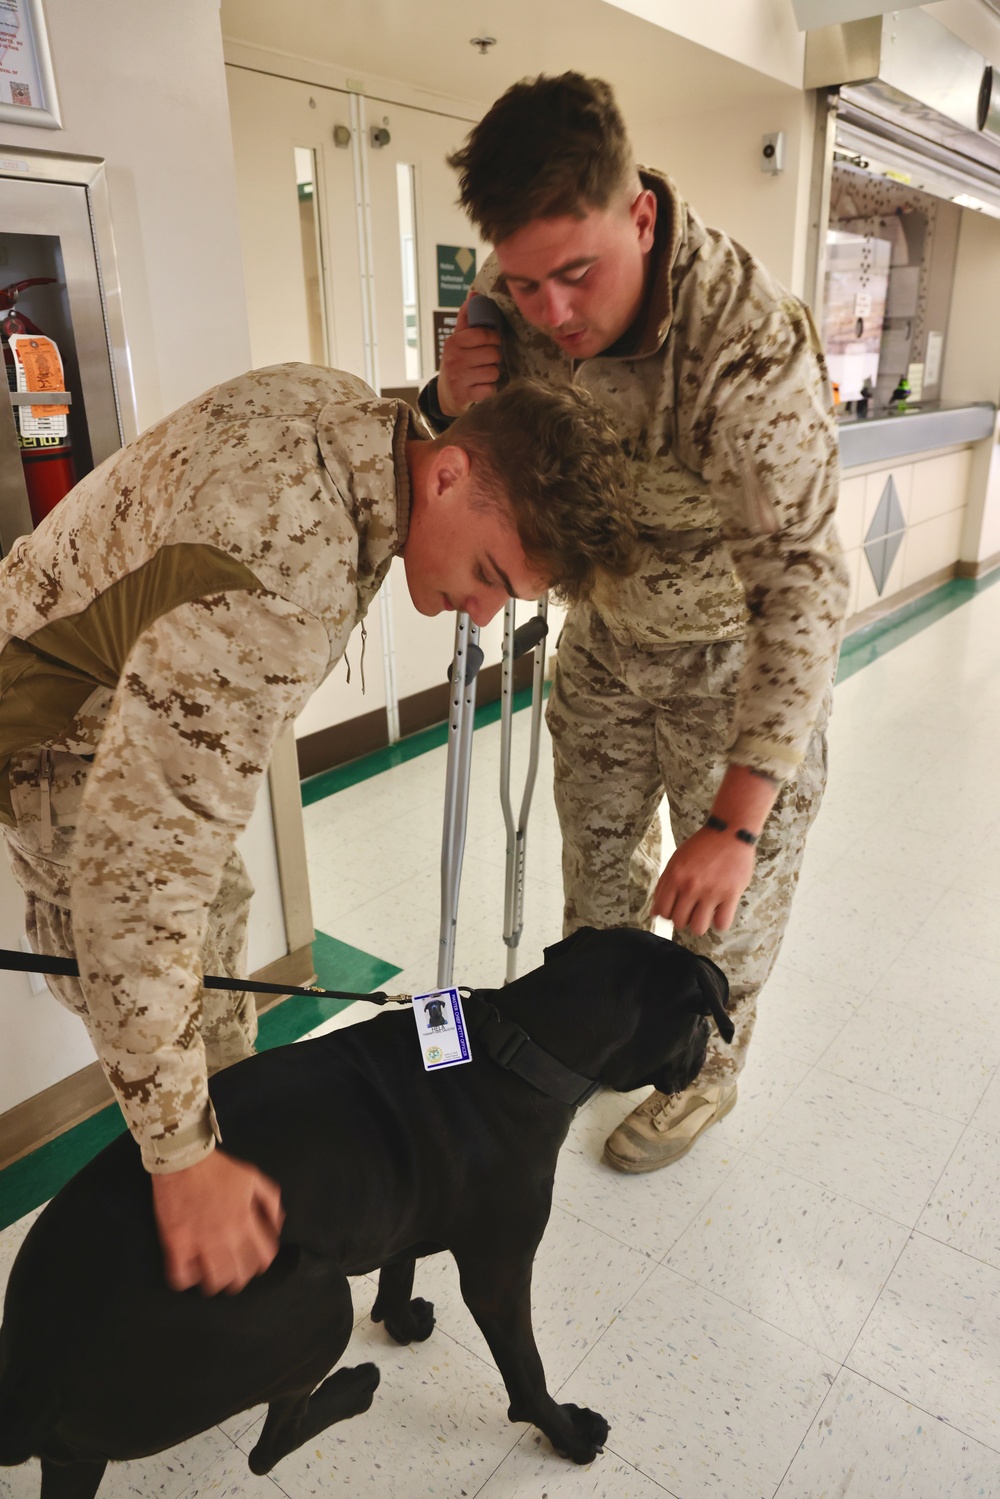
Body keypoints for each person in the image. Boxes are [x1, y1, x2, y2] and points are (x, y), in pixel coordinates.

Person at [0, 362, 636, 1292]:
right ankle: (193, 1212)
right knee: (146, 951)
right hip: (50, 722)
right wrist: (181, 1161)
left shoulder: (349, 409)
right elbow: (132, 893)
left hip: (92, 656)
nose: (484, 611)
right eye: (491, 574)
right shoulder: (274, 592)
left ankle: (228, 1134)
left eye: (513, 596)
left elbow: (405, 421)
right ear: (449, 473)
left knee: (219, 901)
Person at [422, 73, 849, 1174]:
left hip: (731, 664)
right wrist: (455, 390)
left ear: (641, 215)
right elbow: (493, 454)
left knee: (717, 913)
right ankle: (591, 1041)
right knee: (600, 880)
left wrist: (740, 819)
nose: (554, 311)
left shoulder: (741, 345)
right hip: (607, 646)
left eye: (578, 273)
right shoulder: (507, 297)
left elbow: (803, 581)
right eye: (526, 284)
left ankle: (705, 1073)